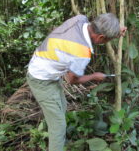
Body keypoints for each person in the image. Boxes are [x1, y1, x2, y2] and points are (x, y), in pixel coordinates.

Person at [26, 13, 126, 151]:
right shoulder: (81, 52)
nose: (106, 42)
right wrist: (94, 76)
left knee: (62, 106)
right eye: (107, 40)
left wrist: (115, 30)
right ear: (101, 37)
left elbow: (100, 29)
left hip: (45, 66)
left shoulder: (80, 19)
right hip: (41, 79)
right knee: (58, 125)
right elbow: (71, 80)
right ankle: (56, 144)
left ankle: (59, 142)